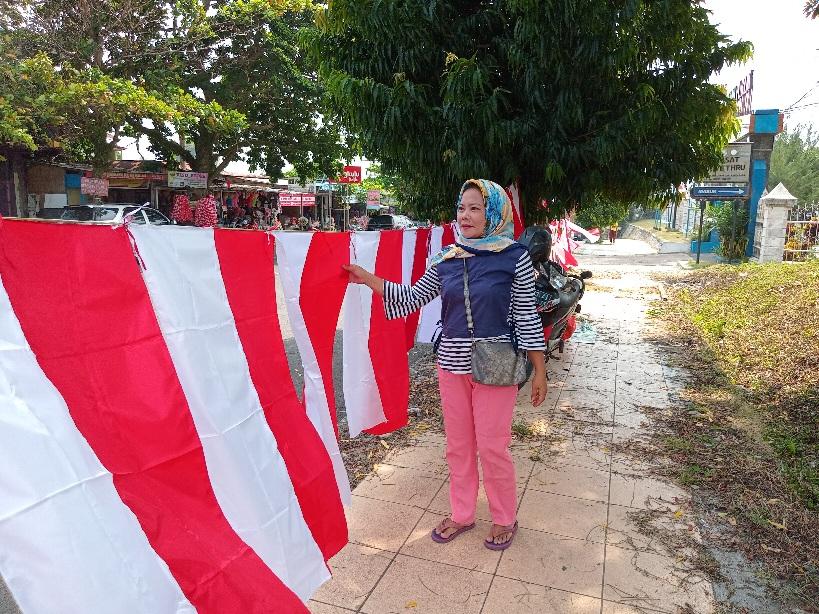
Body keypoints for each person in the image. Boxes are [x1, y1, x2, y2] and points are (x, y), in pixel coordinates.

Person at [343, 179, 547, 550]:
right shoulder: (446, 257)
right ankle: (462, 513)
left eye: (475, 208)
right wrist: (367, 279)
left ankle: (504, 517)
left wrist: (540, 371)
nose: (465, 216)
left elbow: (528, 317)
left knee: (492, 445)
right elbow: (411, 298)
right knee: (458, 444)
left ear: (494, 213)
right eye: (461, 208)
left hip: (497, 365)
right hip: (451, 364)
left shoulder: (514, 256)